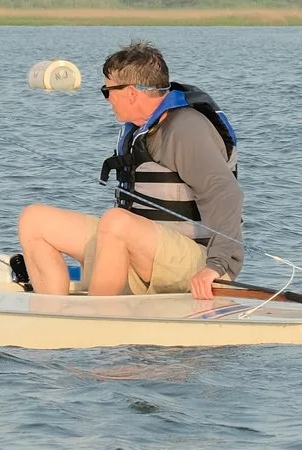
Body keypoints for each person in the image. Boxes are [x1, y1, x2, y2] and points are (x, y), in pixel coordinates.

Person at [15, 41, 243, 299]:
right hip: (140, 251)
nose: (107, 99)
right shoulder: (141, 128)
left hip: (196, 262)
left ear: (131, 93)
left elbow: (226, 194)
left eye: (107, 90)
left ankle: (97, 315)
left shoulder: (185, 128)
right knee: (33, 220)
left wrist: (216, 266)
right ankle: (53, 310)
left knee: (116, 222)